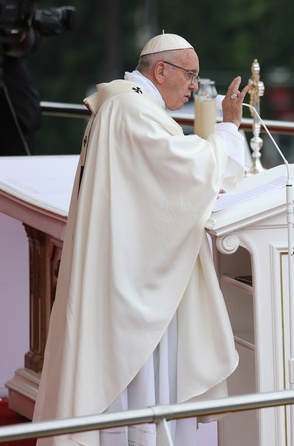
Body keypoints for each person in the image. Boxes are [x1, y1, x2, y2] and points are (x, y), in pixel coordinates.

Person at [32, 33, 250, 446]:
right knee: (133, 364)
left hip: (126, 260)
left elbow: (157, 181)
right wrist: (230, 127)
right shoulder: (132, 109)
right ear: (161, 69)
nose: (192, 86)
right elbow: (187, 169)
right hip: (129, 274)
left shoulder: (127, 104)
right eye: (190, 75)